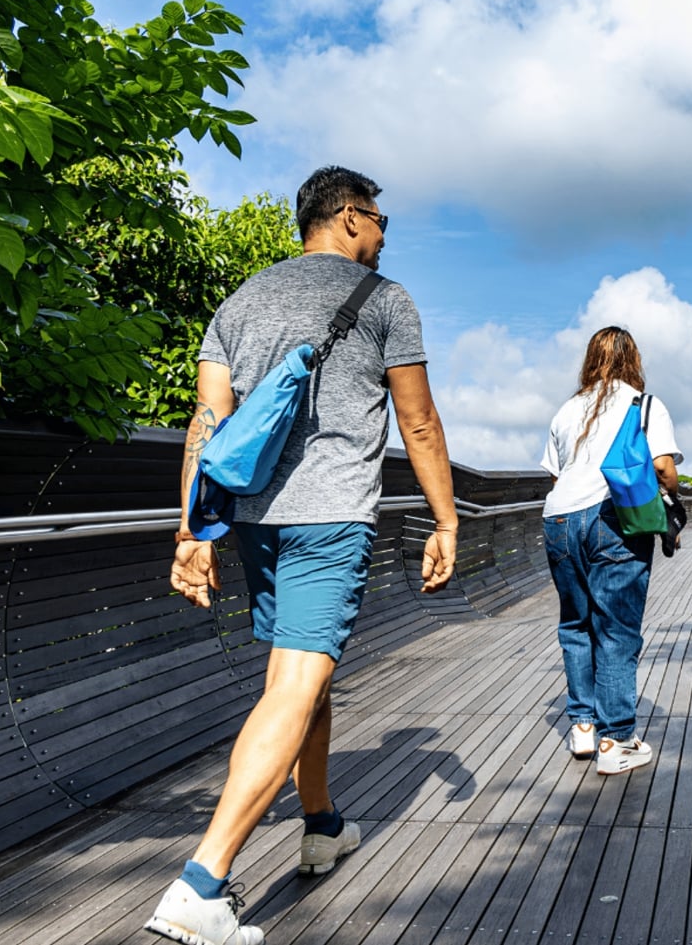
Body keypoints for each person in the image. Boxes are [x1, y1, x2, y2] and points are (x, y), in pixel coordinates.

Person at [147, 166, 459, 945]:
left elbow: (206, 423)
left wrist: (192, 531)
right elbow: (418, 424)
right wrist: (446, 520)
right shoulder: (387, 302)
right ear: (349, 216)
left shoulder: (240, 302)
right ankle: (202, 886)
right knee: (294, 684)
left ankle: (319, 822)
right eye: (382, 220)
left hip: (253, 518)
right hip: (328, 517)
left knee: (302, 674)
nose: (386, 236)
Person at [540, 327, 682, 776]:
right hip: (614, 519)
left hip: (559, 520)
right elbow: (661, 466)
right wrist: (672, 497)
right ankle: (617, 739)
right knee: (617, 631)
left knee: (576, 624)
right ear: (633, 360)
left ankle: (583, 726)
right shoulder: (644, 404)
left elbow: (556, 474)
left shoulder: (566, 410)